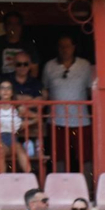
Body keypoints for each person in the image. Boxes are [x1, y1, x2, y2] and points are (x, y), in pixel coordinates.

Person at [42, 36, 93, 174]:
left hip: (81, 119)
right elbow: (45, 91)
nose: (64, 49)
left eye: (68, 46)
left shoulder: (85, 65)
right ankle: (59, 189)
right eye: (61, 46)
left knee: (85, 156)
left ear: (74, 47)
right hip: (56, 119)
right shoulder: (49, 66)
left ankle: (88, 190)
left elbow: (91, 90)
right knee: (58, 157)